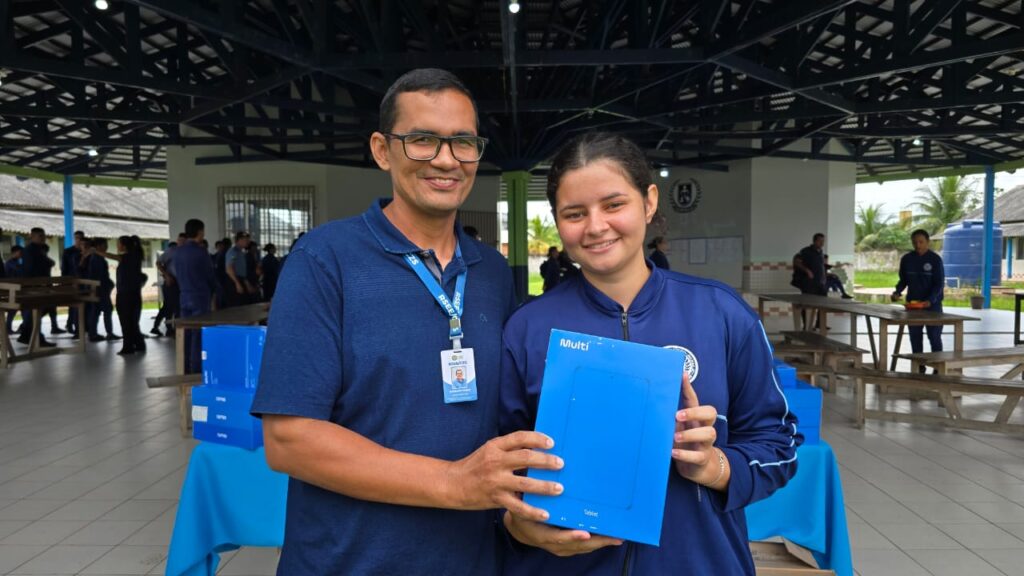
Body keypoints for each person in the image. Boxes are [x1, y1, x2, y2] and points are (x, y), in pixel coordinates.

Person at [250, 68, 562, 575]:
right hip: (351, 559)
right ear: (381, 149)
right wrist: (455, 482)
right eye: (422, 140)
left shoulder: (492, 272)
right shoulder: (325, 259)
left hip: (472, 559)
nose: (446, 159)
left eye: (463, 142)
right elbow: (289, 440)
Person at [499, 132, 800, 575]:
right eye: (575, 213)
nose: (596, 226)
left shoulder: (720, 313)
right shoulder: (528, 329)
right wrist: (518, 525)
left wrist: (716, 467)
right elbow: (496, 463)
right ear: (558, 222)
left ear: (649, 201)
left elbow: (781, 444)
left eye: (613, 204)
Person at [892, 229, 945, 365]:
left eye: (921, 242)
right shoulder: (907, 259)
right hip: (913, 306)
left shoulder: (935, 259)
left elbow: (939, 284)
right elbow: (903, 280)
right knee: (915, 337)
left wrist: (930, 300)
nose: (918, 245)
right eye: (915, 242)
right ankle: (919, 366)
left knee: (934, 337)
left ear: (927, 242)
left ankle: (938, 366)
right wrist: (897, 292)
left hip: (932, 306)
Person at [175, 219, 218, 371]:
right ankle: (197, 367)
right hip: (200, 295)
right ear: (200, 232)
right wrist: (215, 291)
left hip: (183, 295)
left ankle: (185, 366)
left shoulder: (178, 251)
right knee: (197, 333)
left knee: (185, 332)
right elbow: (210, 275)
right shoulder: (200, 252)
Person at [102, 236, 146, 355]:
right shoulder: (135, 256)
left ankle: (128, 347)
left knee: (126, 321)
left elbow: (113, 256)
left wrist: (98, 251)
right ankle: (139, 344)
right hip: (133, 294)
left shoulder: (128, 257)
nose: (117, 246)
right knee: (132, 321)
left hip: (125, 295)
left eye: (118, 244)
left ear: (124, 246)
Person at [19, 227, 56, 347]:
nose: (43, 238)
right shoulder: (29, 250)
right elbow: (30, 269)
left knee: (44, 308)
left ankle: (27, 332)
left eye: (44, 236)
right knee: (36, 310)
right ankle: (31, 334)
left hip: (42, 284)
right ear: (32, 236)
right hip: (34, 285)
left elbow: (48, 263)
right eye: (40, 236)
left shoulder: (40, 249)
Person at [84, 238, 119, 342]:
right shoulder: (97, 259)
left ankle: (94, 333)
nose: (106, 247)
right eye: (105, 245)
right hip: (100, 289)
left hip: (99, 288)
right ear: (98, 247)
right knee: (104, 311)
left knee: (97, 312)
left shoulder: (97, 258)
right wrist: (106, 286)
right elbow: (98, 276)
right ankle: (105, 333)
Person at [60, 231, 86, 334]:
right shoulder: (68, 251)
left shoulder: (85, 251)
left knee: (80, 304)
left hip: (83, 280)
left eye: (80, 238)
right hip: (71, 280)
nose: (79, 240)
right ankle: (71, 324)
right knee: (73, 304)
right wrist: (64, 281)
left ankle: (74, 324)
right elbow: (64, 268)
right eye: (77, 238)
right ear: (74, 239)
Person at [224, 231, 255, 307]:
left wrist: (246, 283)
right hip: (233, 280)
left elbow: (241, 271)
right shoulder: (233, 252)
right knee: (236, 306)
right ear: (240, 240)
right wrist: (237, 283)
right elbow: (229, 269)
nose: (248, 242)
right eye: (246, 240)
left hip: (241, 279)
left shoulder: (241, 252)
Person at [5, 245, 23, 334]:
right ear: (14, 252)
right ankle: (8, 328)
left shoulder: (16, 263)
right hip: (12, 290)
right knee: (13, 309)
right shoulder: (10, 264)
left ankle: (9, 328)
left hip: (17, 291)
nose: (21, 255)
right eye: (20, 253)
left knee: (14, 309)